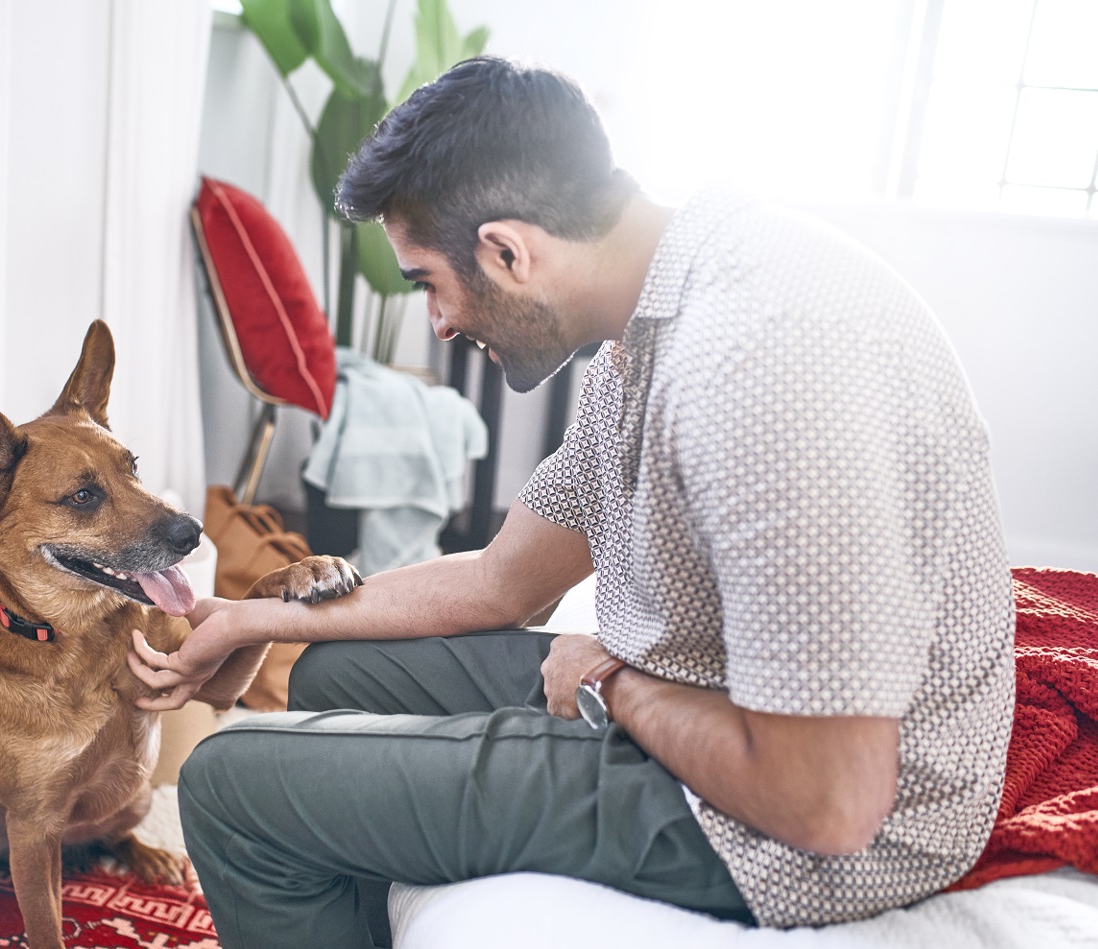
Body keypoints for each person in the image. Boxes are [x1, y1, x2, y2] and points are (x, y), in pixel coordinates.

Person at [129, 56, 1015, 947]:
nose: (436, 323)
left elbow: (828, 803)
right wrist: (251, 621)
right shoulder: (651, 319)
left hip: (790, 828)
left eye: (428, 280)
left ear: (509, 251)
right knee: (332, 673)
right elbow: (500, 580)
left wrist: (616, 683)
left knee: (228, 782)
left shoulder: (753, 373)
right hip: (704, 695)